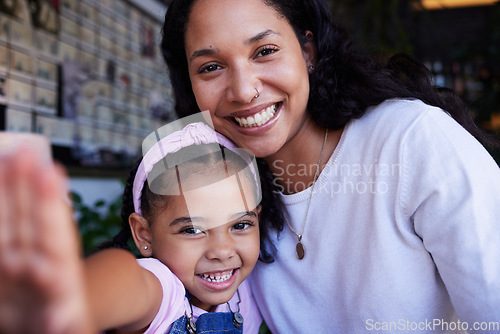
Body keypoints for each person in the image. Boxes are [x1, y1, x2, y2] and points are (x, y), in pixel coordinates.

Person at [160, 0, 500, 333]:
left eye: (264, 51)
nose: (244, 90)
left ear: (308, 52)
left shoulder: (411, 141)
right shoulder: (227, 203)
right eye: (211, 67)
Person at [0, 121, 268, 334]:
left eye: (241, 224)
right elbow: (128, 281)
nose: (222, 250)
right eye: (192, 230)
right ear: (144, 235)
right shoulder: (165, 291)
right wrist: (71, 299)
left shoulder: (247, 292)